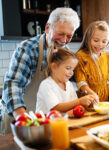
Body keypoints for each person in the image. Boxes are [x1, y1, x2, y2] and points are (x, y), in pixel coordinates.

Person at [0, 7, 80, 135]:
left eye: (69, 36)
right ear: (48, 27)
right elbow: (13, 85)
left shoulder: (65, 52)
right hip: (19, 117)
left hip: (46, 119)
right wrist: (23, 120)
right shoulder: (28, 49)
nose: (64, 40)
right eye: (60, 33)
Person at [36, 48, 96, 115]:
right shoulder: (46, 85)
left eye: (73, 69)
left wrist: (87, 103)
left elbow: (74, 106)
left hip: (63, 122)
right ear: (54, 67)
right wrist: (79, 101)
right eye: (68, 68)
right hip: (46, 124)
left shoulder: (69, 84)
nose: (71, 73)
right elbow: (55, 108)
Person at [75, 21, 109, 102]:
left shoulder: (106, 57)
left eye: (104, 41)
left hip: (104, 101)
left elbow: (108, 80)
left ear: (108, 42)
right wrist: (93, 95)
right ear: (88, 39)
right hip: (88, 102)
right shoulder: (80, 56)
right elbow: (81, 83)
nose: (100, 45)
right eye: (96, 40)